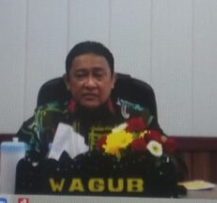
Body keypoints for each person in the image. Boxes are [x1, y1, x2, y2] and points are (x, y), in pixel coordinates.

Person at [16, 41, 162, 160]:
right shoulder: (45, 117)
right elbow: (11, 162)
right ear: (67, 82)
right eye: (81, 75)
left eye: (98, 75)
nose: (90, 84)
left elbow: (175, 165)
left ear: (112, 80)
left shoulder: (137, 118)